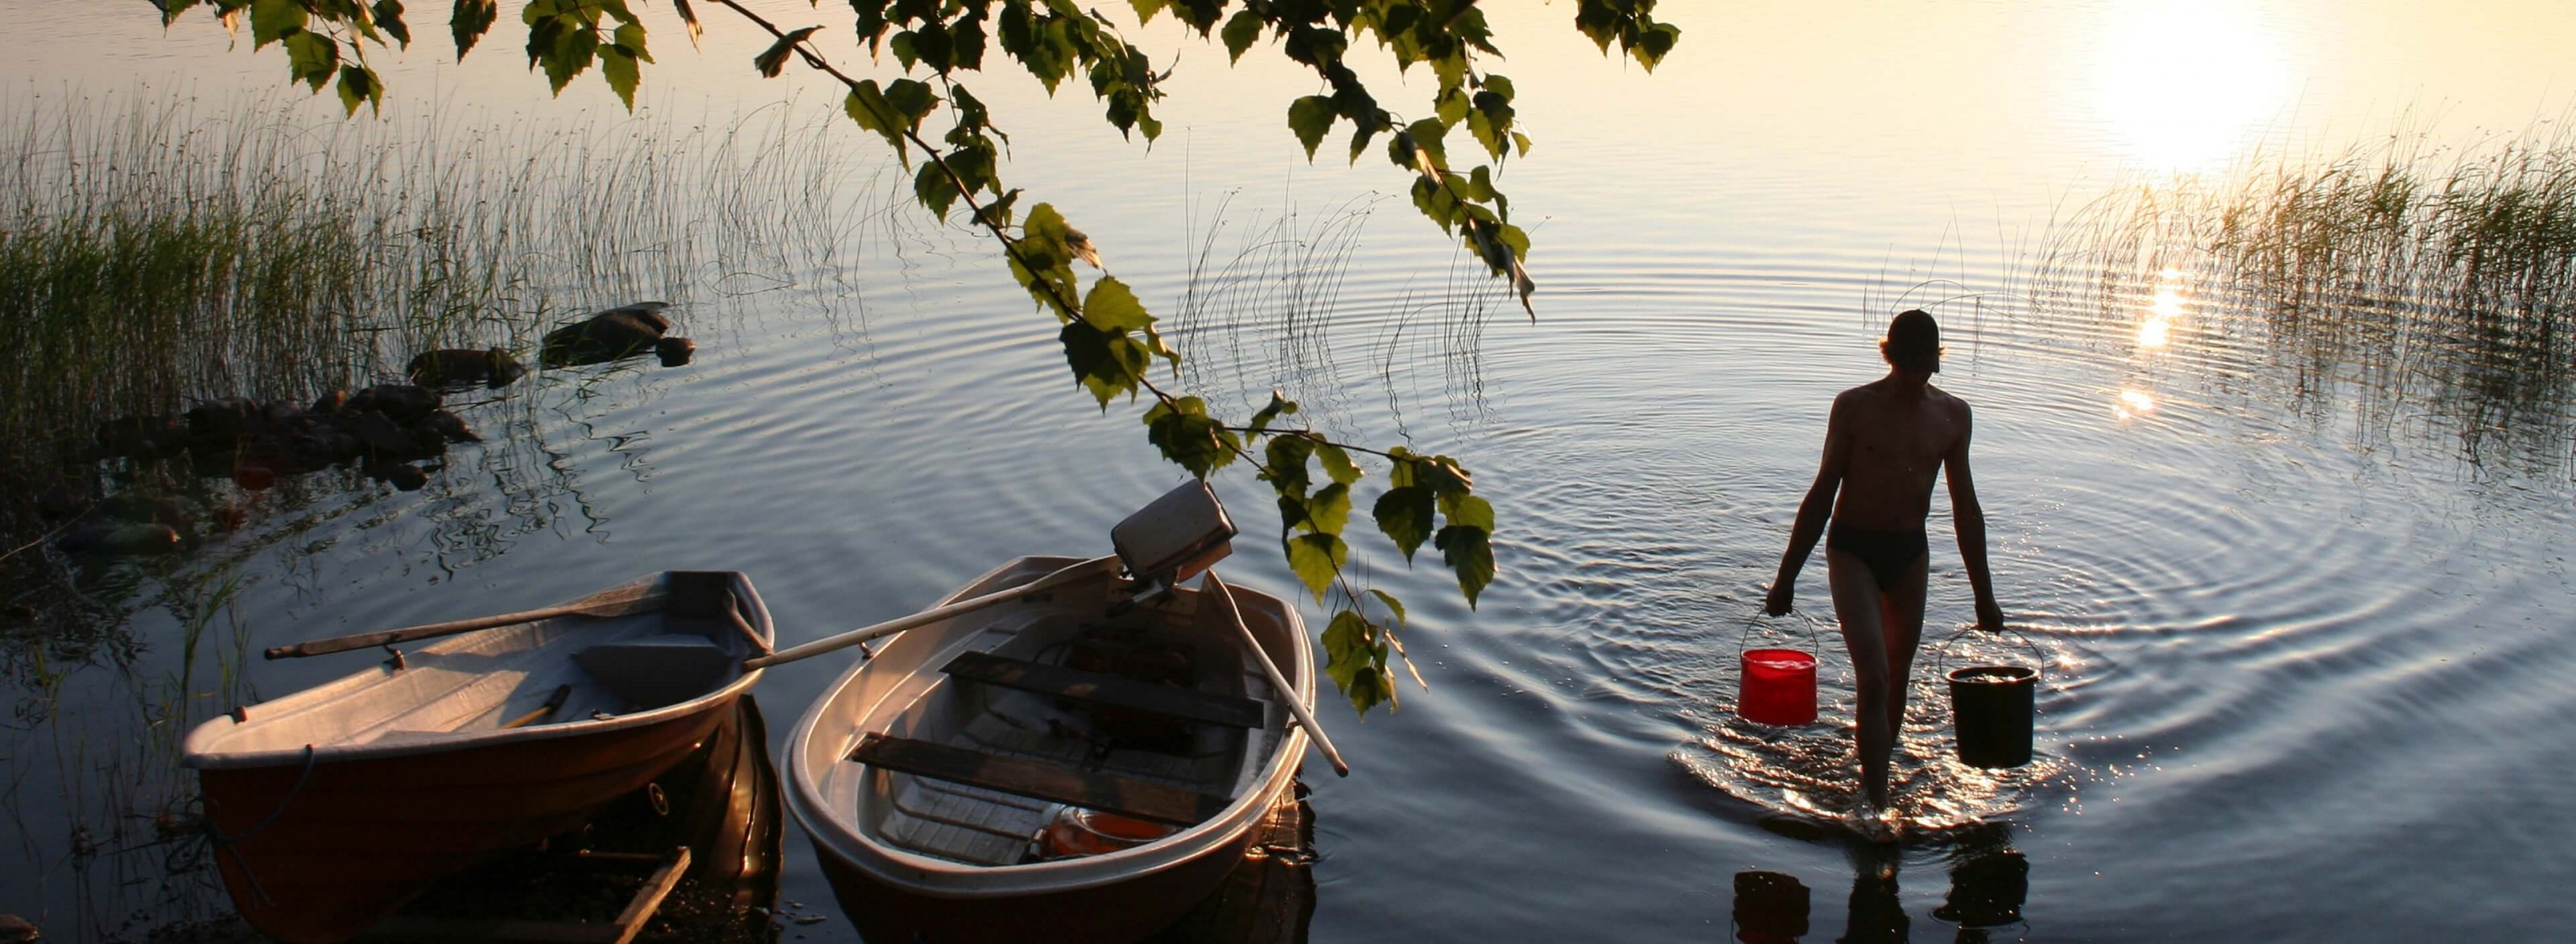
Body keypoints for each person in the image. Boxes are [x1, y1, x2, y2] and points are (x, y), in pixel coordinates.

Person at [1765, 308, 2004, 830]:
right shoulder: (1854, 407)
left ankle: (1875, 776)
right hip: (1853, 549)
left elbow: (1967, 509)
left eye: (1928, 361)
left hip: (1909, 554)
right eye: (1911, 359)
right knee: (1872, 677)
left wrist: (1983, 595)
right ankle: (1876, 809)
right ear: (1891, 355)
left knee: (1896, 680)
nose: (1919, 371)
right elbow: (1823, 492)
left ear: (1937, 360)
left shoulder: (1953, 416)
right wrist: (1786, 577)